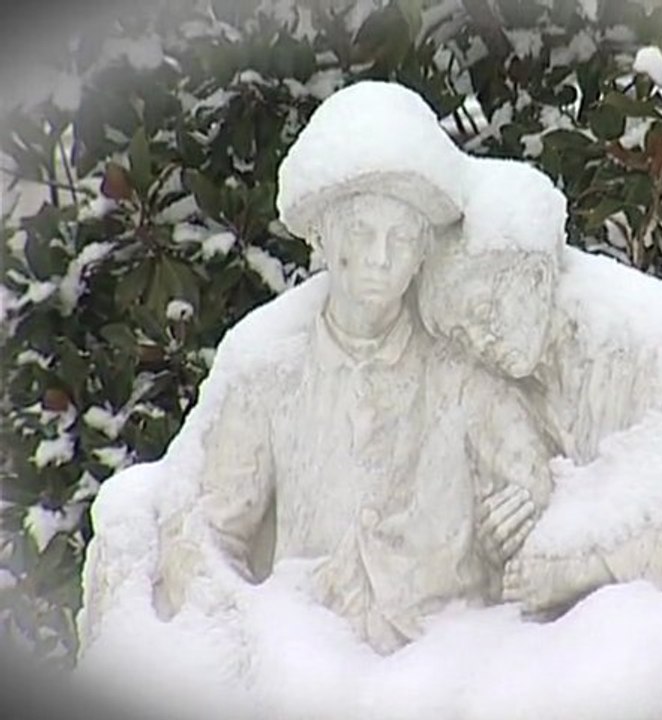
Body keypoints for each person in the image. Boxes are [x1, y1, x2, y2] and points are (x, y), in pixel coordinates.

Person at [154, 82, 554, 654]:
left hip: (443, 666)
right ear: (322, 237)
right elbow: (209, 530)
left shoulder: (460, 373)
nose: (380, 258)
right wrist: (244, 635)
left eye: (400, 238)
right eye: (361, 232)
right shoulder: (269, 369)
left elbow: (530, 483)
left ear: (421, 253)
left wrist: (521, 512)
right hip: (312, 668)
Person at [418, 156, 662, 615]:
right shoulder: (509, 377)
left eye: (482, 314)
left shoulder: (655, 334)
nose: (478, 343)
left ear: (534, 279)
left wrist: (587, 566)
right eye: (461, 334)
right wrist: (501, 541)